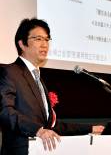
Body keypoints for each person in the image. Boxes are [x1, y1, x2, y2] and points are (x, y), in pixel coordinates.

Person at [0, 18, 104, 155]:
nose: (44, 44)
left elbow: (52, 126)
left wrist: (90, 128)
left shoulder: (38, 79)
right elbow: (5, 112)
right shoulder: (9, 72)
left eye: (47, 39)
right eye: (38, 39)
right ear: (22, 44)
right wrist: (37, 130)